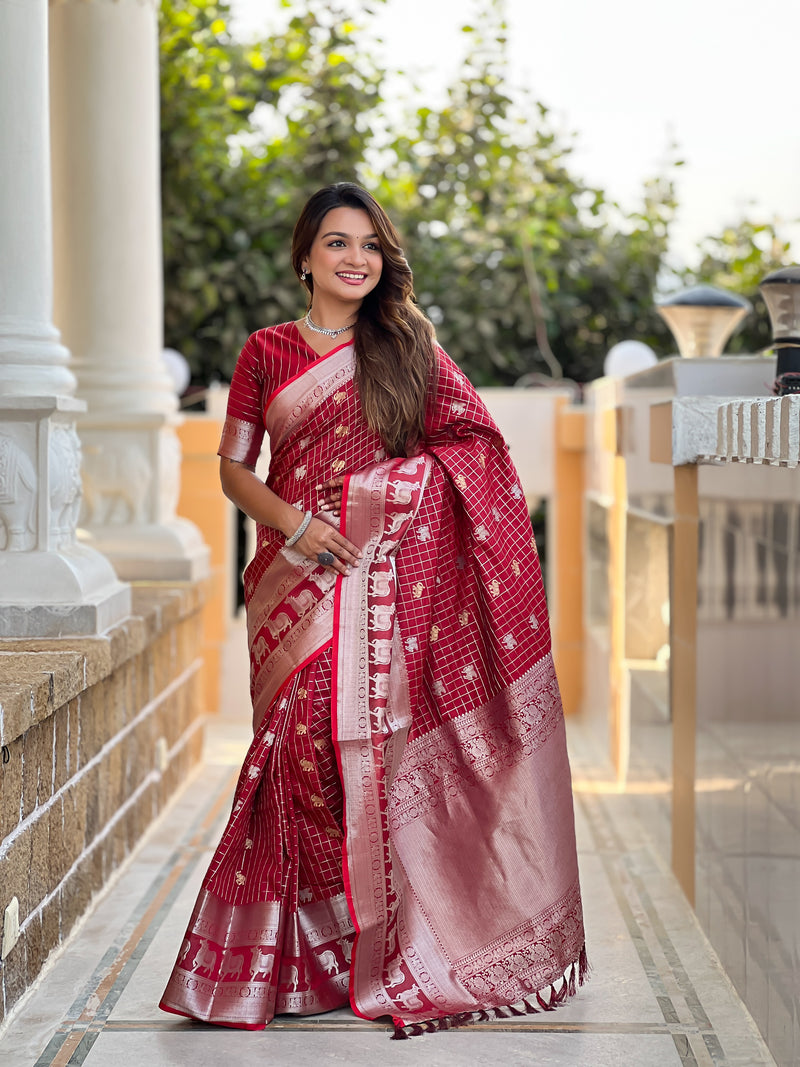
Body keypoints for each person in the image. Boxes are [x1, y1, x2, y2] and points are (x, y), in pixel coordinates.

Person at [159, 182, 587, 1038]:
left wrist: (379, 498)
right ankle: (297, 961)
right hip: (294, 583)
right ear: (306, 256)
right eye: (337, 243)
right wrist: (300, 524)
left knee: (354, 753)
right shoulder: (268, 352)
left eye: (369, 245)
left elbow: (474, 448)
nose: (356, 259)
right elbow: (233, 469)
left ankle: (364, 949)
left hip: (386, 584)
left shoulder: (408, 347)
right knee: (295, 752)